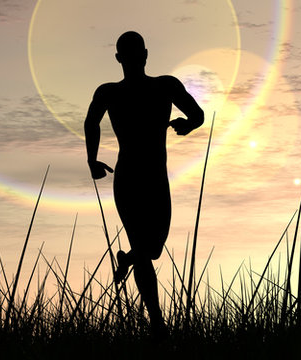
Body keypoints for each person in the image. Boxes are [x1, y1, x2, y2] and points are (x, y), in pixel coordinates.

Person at [84, 31, 204, 332]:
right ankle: (158, 325)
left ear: (143, 55)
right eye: (132, 54)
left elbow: (198, 114)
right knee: (143, 247)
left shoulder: (165, 85)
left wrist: (189, 125)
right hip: (128, 178)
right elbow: (90, 122)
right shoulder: (109, 92)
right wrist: (91, 160)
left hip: (156, 179)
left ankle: (127, 260)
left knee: (152, 249)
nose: (136, 59)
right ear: (122, 58)